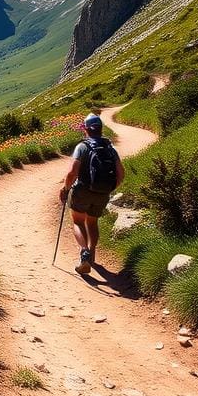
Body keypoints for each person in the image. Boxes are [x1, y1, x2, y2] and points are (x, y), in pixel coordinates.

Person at [59, 113, 125, 275]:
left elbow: (71, 173)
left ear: (86, 130)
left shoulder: (82, 147)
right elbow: (121, 174)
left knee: (78, 222)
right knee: (92, 222)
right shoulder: (110, 148)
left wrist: (65, 189)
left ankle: (84, 253)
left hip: (82, 190)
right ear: (101, 129)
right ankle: (92, 253)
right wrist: (109, 188)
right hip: (102, 192)